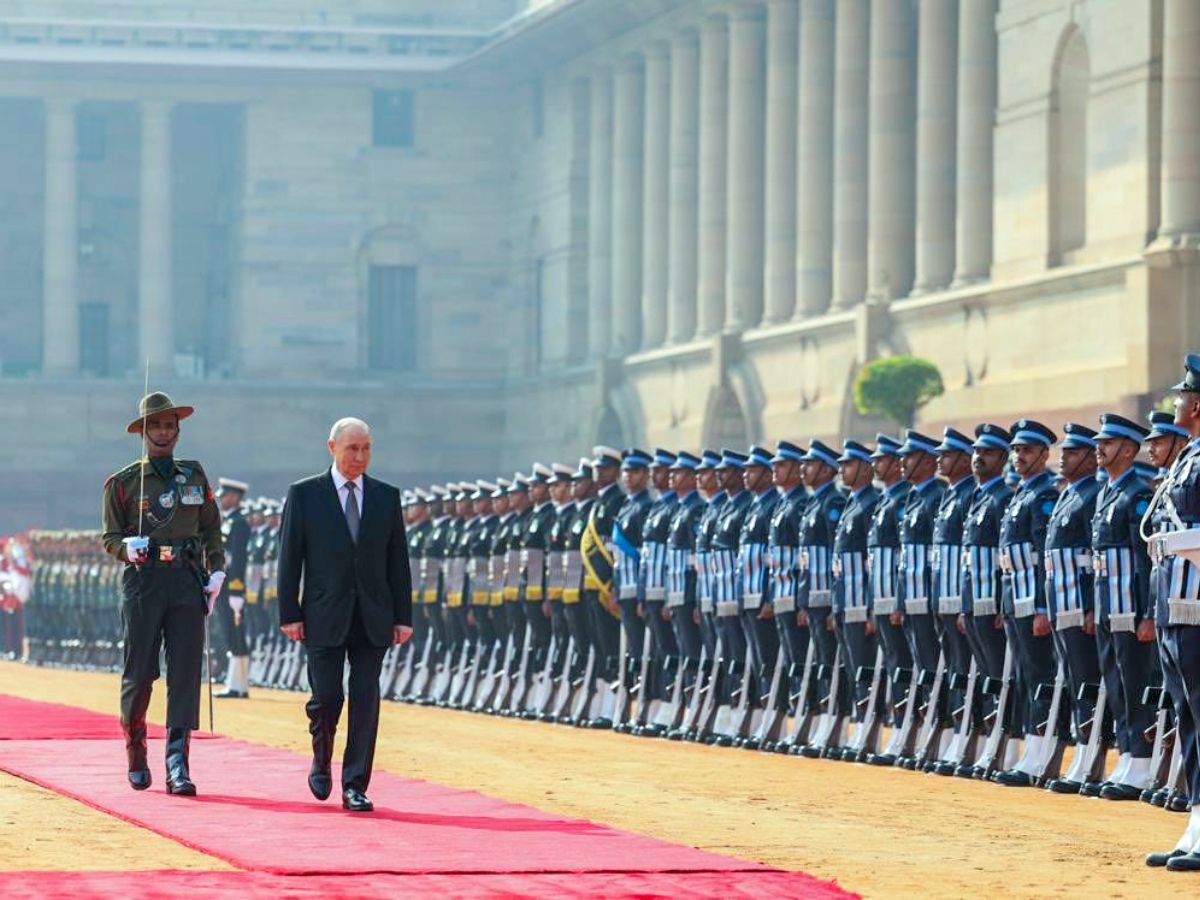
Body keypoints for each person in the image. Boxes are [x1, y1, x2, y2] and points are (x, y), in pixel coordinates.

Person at [277, 417, 413, 813]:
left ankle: (355, 783)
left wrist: (403, 616)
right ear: (332, 447)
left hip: (374, 615)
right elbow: (290, 558)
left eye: (366, 448)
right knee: (327, 697)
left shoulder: (386, 497)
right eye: (352, 448)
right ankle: (322, 759)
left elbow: (397, 562)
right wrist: (290, 612)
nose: (360, 456)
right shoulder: (305, 494)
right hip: (323, 613)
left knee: (366, 699)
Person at [101, 392, 225, 795]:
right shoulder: (123, 483)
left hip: (186, 579)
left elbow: (209, 526)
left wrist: (217, 569)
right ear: (142, 431)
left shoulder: (194, 476)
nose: (162, 432)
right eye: (155, 425)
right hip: (144, 580)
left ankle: (177, 761)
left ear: (177, 430)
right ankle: (136, 744)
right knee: (140, 673)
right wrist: (125, 549)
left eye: (169, 425)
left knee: (186, 671)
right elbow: (109, 536)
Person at [215, 478, 252, 698]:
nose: (221, 498)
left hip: (233, 587)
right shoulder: (229, 522)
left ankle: (239, 685)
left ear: (235, 497)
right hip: (225, 584)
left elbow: (238, 560)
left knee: (236, 632)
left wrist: (236, 590)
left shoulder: (239, 523)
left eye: (225, 495)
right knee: (230, 631)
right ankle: (235, 682)